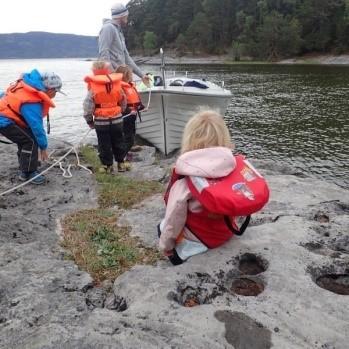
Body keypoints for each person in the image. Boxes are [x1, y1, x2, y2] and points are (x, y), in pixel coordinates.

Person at [158, 110, 269, 265]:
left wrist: (165, 246)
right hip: (228, 231)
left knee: (161, 227)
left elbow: (173, 220)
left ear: (188, 140)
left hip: (198, 241)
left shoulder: (185, 183)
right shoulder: (233, 170)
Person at [0, 69, 64, 185]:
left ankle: (24, 168)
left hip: (6, 116)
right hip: (4, 120)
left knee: (26, 138)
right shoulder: (31, 102)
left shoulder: (28, 87)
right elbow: (37, 127)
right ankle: (29, 173)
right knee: (30, 141)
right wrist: (43, 147)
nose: (55, 94)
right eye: (56, 91)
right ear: (50, 90)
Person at [83, 60, 127, 173]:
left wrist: (89, 121)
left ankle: (108, 167)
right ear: (107, 70)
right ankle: (121, 164)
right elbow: (123, 101)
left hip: (101, 122)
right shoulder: (116, 84)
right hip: (117, 120)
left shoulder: (93, 87)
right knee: (119, 141)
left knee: (104, 144)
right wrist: (119, 112)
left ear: (94, 71)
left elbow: (88, 105)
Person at [98, 2, 151, 87]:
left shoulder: (119, 31)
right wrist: (112, 76)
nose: (127, 17)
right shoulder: (108, 28)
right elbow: (104, 55)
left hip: (120, 80)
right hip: (113, 81)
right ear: (121, 16)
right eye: (126, 15)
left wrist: (142, 75)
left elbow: (127, 58)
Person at [115, 64, 145, 165]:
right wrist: (128, 111)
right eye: (130, 74)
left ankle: (125, 154)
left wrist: (141, 107)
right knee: (127, 138)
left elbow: (135, 99)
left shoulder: (130, 85)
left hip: (132, 115)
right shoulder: (120, 87)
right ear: (125, 75)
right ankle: (121, 158)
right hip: (126, 116)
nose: (132, 76)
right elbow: (119, 104)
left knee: (131, 136)